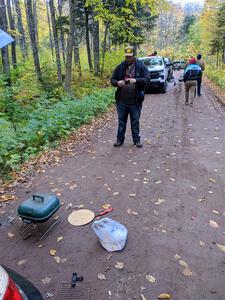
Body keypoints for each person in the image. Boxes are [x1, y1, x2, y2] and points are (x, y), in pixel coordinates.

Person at [111, 46, 150, 148]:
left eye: (130, 57)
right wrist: (117, 82)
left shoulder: (141, 66)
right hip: (122, 101)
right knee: (121, 122)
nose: (128, 58)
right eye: (126, 56)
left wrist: (136, 80)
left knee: (135, 121)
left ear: (134, 56)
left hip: (135, 100)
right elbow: (112, 80)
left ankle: (136, 140)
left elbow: (147, 79)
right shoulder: (120, 66)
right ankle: (119, 140)